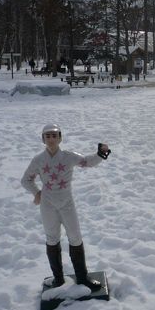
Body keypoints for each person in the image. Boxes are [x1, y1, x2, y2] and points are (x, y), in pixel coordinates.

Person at [21, 124, 110, 290]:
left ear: (60, 138)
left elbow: (87, 162)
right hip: (48, 205)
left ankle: (82, 278)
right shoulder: (38, 160)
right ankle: (58, 279)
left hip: (67, 203)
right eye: (47, 136)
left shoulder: (68, 157)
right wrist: (37, 193)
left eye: (54, 135)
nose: (51, 139)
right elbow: (26, 179)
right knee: (52, 238)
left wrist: (100, 154)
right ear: (43, 139)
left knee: (75, 237)